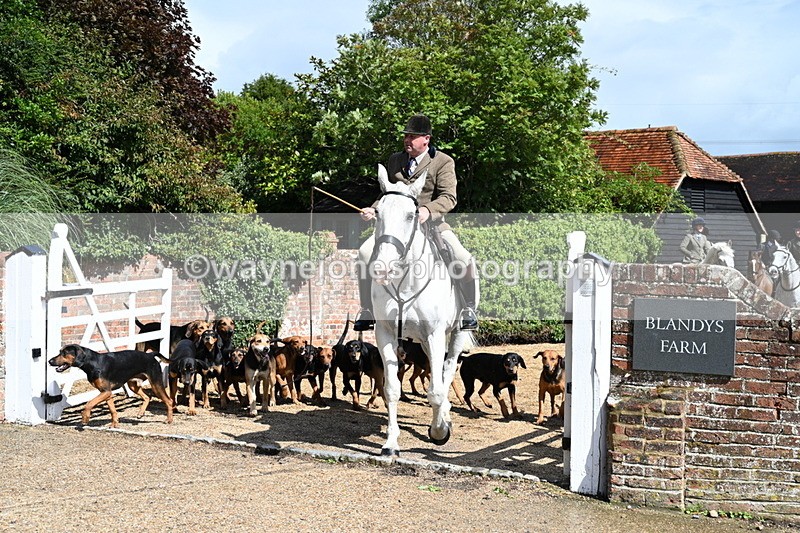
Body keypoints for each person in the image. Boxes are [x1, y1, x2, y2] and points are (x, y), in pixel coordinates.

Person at [353, 114, 479, 332]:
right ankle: (367, 310)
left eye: (412, 136)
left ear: (426, 139)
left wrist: (427, 210)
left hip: (431, 224)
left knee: (462, 257)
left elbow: (450, 197)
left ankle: (468, 309)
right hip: (395, 227)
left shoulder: (443, 162)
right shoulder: (395, 160)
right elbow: (388, 195)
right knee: (364, 253)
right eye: (406, 136)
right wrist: (373, 209)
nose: (407, 140)